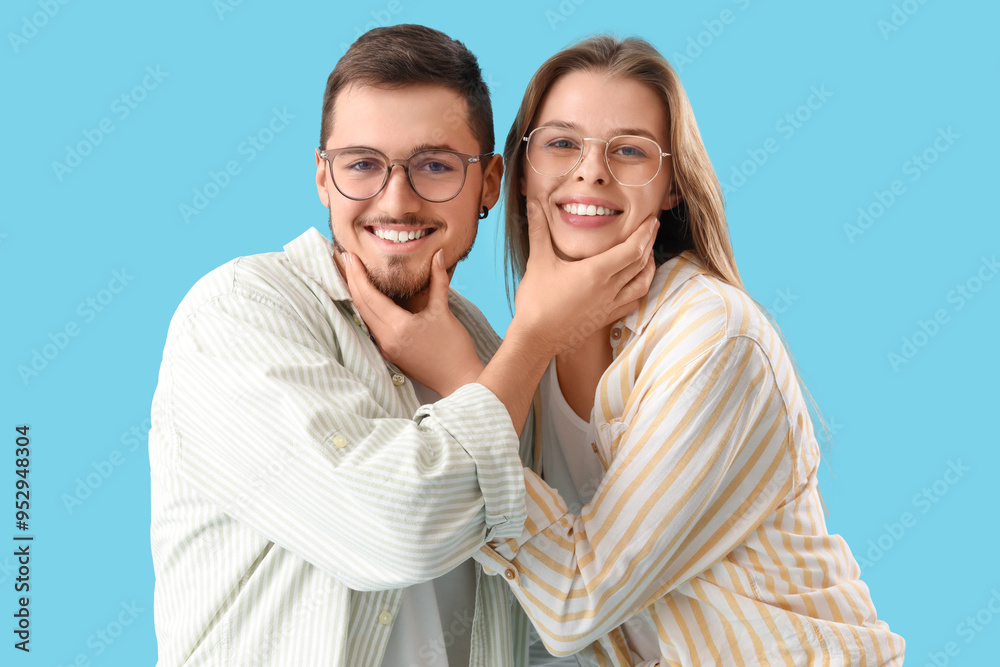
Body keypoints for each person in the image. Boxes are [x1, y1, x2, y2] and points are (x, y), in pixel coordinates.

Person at [360, 36, 906, 665]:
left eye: (628, 150)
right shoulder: (526, 351)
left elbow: (574, 604)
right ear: (518, 172)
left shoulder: (713, 339)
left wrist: (461, 382)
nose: (591, 170)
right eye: (562, 143)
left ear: (672, 186)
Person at [148, 25, 656, 666]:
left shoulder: (483, 353)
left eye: (435, 166)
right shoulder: (238, 315)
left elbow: (532, 619)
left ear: (491, 183)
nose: (396, 200)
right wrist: (532, 344)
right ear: (323, 178)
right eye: (362, 164)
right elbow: (394, 530)